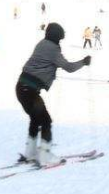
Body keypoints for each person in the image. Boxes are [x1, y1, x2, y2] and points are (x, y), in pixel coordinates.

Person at [16, 23, 90, 166]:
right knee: (46, 121)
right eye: (60, 38)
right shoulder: (53, 49)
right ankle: (45, 156)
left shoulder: (41, 44)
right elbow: (68, 67)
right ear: (57, 36)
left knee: (36, 119)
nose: (60, 41)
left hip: (21, 88)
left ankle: (30, 153)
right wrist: (84, 62)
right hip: (29, 90)